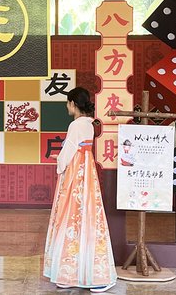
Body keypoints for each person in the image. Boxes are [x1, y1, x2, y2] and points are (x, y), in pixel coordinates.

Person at [43, 87, 117, 293]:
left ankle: (71, 273)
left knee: (70, 216)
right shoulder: (89, 123)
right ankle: (88, 273)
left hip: (75, 174)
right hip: (86, 172)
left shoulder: (75, 125)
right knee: (88, 217)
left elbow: (68, 152)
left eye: (68, 103)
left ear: (73, 104)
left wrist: (59, 162)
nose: (67, 107)